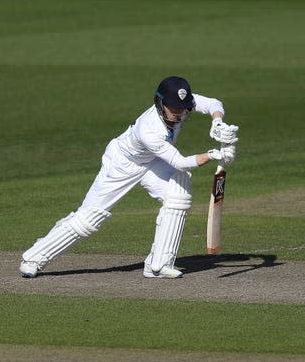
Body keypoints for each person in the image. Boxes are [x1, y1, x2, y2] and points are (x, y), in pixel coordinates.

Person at [20, 76, 238, 279]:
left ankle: (158, 265)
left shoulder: (183, 105)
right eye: (173, 107)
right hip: (121, 164)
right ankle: (33, 258)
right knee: (89, 220)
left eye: (182, 108)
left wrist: (217, 122)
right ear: (160, 103)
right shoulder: (150, 130)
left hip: (151, 161)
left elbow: (213, 103)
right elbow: (180, 162)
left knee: (178, 195)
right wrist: (213, 154)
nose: (178, 113)